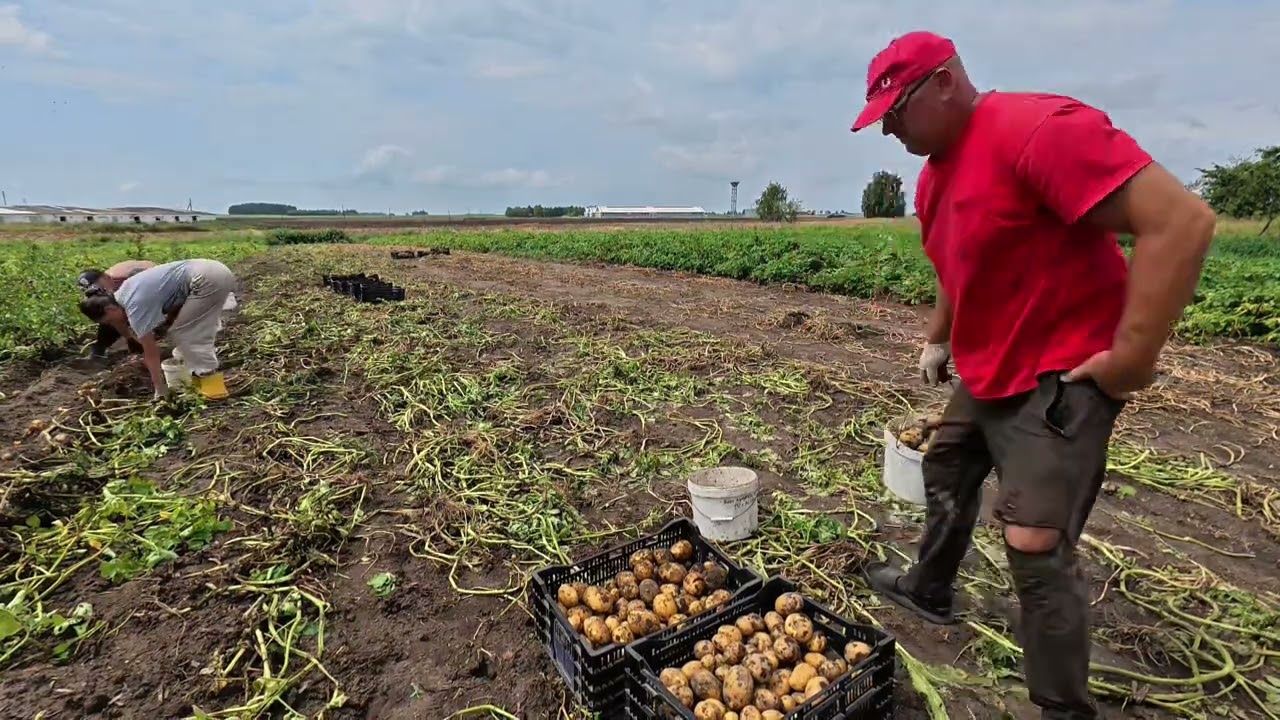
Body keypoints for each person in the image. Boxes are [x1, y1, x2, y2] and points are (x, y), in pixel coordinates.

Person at [849, 31, 1215, 720]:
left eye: (896, 111)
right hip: (990, 364)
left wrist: (1132, 360)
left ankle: (1061, 708)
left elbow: (1181, 221)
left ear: (945, 82)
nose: (889, 130)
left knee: (1033, 544)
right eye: (882, 119)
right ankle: (929, 586)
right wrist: (937, 340)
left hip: (1059, 374)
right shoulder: (933, 179)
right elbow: (960, 270)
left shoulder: (1035, 131)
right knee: (948, 466)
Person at [79, 259, 239, 400]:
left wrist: (159, 388)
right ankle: (198, 381)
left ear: (109, 310)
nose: (114, 323)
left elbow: (151, 352)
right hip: (209, 271)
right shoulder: (123, 293)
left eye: (109, 320)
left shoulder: (135, 307)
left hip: (207, 279)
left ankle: (214, 392)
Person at [78, 261, 156, 358]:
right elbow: (113, 316)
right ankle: (99, 350)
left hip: (155, 287)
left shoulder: (127, 278)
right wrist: (129, 338)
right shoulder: (103, 291)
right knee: (105, 315)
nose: (101, 293)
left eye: (101, 288)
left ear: (106, 277)